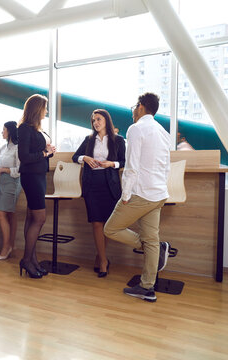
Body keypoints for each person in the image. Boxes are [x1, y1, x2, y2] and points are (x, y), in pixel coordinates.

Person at [104, 92, 171, 302]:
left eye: (135, 106)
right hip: (158, 193)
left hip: (140, 193)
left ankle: (155, 248)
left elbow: (131, 165)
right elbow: (165, 165)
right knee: (151, 239)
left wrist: (126, 194)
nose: (133, 110)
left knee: (110, 229)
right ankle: (147, 288)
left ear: (141, 107)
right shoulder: (162, 131)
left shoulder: (137, 128)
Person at [72, 109, 126, 278]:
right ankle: (103, 261)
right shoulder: (89, 140)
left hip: (110, 184)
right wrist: (85, 159)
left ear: (106, 120)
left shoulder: (118, 140)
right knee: (96, 223)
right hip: (92, 184)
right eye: (94, 120)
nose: (95, 122)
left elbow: (124, 161)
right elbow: (75, 157)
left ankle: (99, 256)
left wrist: (111, 164)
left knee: (108, 225)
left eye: (99, 119)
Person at [17, 94, 55, 278]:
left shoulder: (36, 129)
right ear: (37, 109)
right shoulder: (24, 128)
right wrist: (44, 152)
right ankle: (26, 260)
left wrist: (48, 152)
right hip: (31, 176)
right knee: (39, 218)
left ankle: (32, 260)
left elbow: (40, 153)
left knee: (32, 217)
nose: (46, 111)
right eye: (45, 108)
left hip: (39, 175)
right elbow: (24, 157)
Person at [0, 121, 21, 260]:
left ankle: (6, 247)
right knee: (9, 214)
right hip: (3, 182)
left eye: (4, 130)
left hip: (13, 182)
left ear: (10, 131)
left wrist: (2, 169)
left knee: (0, 214)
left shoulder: (18, 148)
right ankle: (11, 245)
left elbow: (19, 170)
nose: (2, 132)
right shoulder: (5, 146)